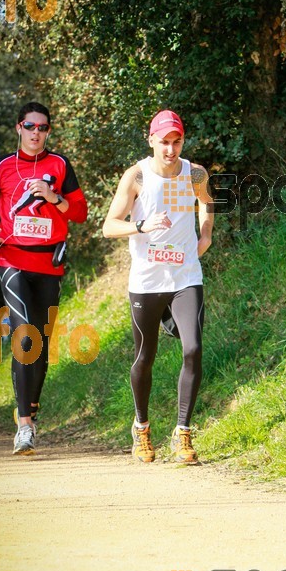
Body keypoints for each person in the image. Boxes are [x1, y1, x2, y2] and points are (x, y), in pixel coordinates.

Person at [103, 109, 214, 464]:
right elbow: (109, 226)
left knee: (193, 348)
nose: (170, 149)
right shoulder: (136, 176)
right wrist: (141, 226)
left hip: (185, 276)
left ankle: (183, 433)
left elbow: (208, 204)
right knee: (144, 357)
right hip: (147, 281)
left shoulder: (195, 173)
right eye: (164, 142)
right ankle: (142, 427)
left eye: (176, 141)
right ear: (151, 140)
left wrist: (205, 235)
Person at [0, 102, 88, 454]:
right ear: (18, 128)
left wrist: (54, 198)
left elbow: (82, 213)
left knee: (38, 342)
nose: (36, 132)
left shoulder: (60, 165)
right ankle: (24, 426)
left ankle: (29, 411)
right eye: (30, 126)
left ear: (48, 132)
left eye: (43, 127)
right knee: (25, 333)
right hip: (11, 260)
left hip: (49, 265)